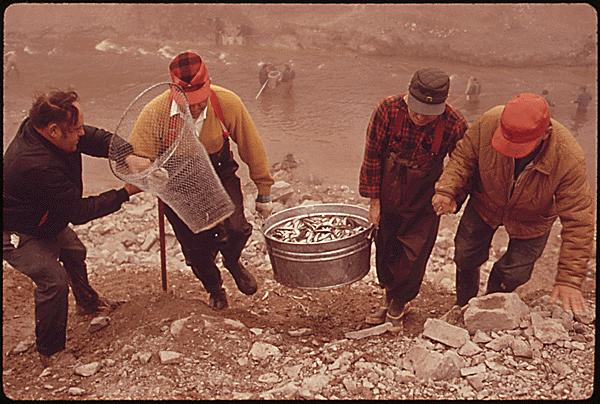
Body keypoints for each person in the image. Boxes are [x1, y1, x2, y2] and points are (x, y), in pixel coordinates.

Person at [3, 90, 149, 367]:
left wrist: (125, 155)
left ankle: (88, 302)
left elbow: (94, 138)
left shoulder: (45, 129)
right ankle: (50, 351)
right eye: (76, 129)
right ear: (54, 130)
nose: (82, 133)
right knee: (54, 281)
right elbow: (78, 212)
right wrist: (126, 192)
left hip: (44, 215)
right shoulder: (34, 164)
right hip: (15, 228)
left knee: (74, 250)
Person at [128, 52, 274, 310]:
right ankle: (215, 288)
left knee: (236, 229)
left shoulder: (227, 102)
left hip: (219, 172)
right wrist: (149, 170)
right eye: (188, 102)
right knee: (196, 248)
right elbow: (134, 156)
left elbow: (251, 145)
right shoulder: (155, 112)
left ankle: (232, 261)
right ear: (174, 92)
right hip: (178, 183)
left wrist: (264, 190)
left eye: (199, 101)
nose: (195, 108)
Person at [432, 93, 594, 316]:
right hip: (486, 202)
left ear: (546, 133)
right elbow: (463, 159)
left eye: (520, 146)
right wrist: (447, 189)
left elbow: (580, 221)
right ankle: (464, 301)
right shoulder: (488, 122)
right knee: (465, 255)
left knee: (515, 273)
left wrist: (570, 279)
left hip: (533, 219)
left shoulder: (568, 158)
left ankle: (492, 302)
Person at [359, 67, 469, 331]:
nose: (420, 117)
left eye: (428, 113)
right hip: (388, 188)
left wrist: (452, 196)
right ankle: (388, 297)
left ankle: (400, 301)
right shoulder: (387, 109)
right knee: (385, 245)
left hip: (424, 197)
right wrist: (374, 202)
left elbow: (463, 165)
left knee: (414, 252)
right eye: (416, 109)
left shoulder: (455, 123)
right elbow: (372, 155)